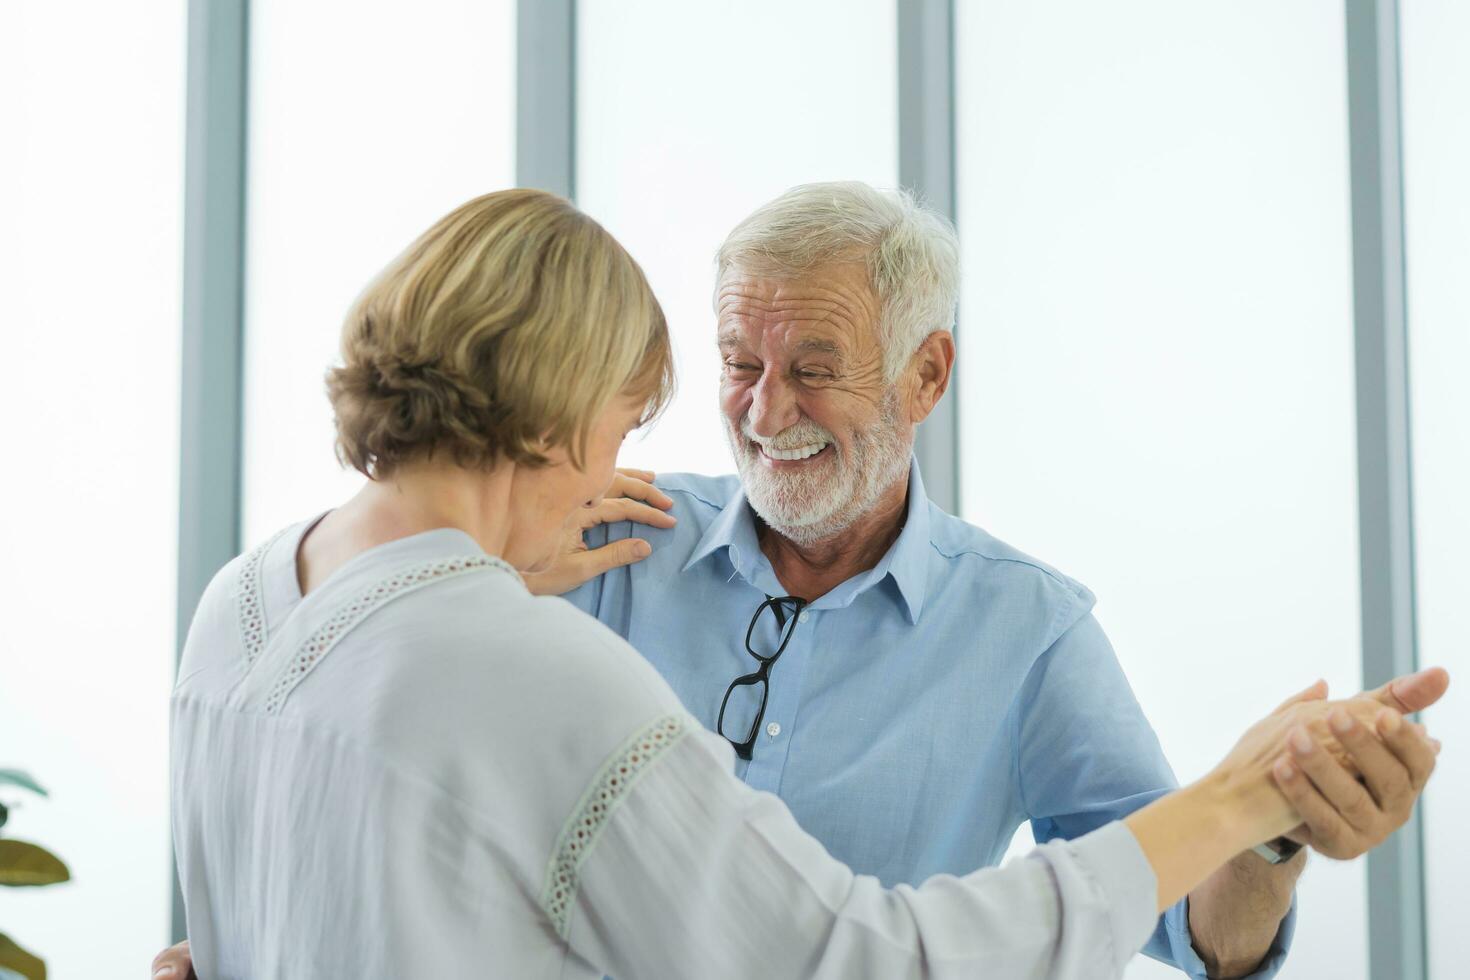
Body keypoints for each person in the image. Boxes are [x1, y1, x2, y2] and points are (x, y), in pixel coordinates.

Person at [156, 188, 1447, 979]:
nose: (759, 414)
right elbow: (854, 963)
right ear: (560, 405)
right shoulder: (558, 609)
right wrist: (1230, 789)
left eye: (813, 366)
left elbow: (1191, 940)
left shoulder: (246, 597)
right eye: (717, 370)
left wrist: (1259, 824)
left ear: (924, 374)